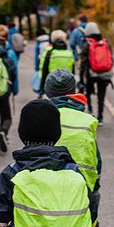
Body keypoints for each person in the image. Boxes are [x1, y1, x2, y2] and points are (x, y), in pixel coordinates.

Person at [44, 69, 102, 202]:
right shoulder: (87, 120)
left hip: (47, 186)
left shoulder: (42, 117)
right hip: (82, 186)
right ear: (73, 91)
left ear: (47, 92)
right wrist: (94, 188)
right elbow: (96, 159)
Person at [79, 22, 114, 126]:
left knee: (88, 92)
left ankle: (90, 111)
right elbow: (110, 58)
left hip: (91, 74)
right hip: (104, 73)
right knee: (101, 95)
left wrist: (81, 78)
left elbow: (83, 62)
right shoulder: (105, 43)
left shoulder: (87, 43)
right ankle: (100, 117)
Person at [38, 30, 74, 95]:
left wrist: (42, 86)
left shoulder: (49, 53)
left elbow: (44, 70)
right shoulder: (69, 53)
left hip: (53, 84)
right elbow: (73, 71)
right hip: (67, 84)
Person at [0, 24, 20, 95]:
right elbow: (14, 72)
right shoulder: (10, 53)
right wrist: (15, 89)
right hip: (5, 86)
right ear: (7, 36)